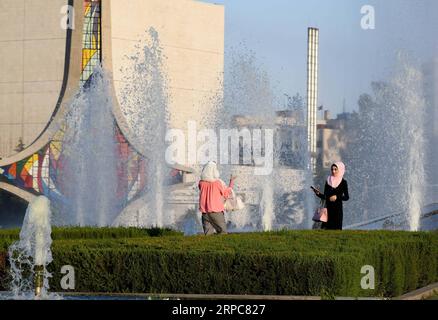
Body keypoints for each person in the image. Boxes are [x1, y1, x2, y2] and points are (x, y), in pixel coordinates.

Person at [198, 161, 236, 235]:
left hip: (205, 213)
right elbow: (226, 194)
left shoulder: (201, 183)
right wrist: (231, 182)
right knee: (223, 232)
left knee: (208, 234)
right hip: (216, 212)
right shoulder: (217, 183)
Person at [312, 162, 349, 230]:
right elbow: (326, 197)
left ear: (340, 170)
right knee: (327, 230)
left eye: (335, 169)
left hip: (337, 210)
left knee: (336, 230)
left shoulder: (343, 182)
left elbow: (346, 197)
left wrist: (337, 197)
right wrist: (318, 194)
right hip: (328, 209)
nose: (333, 171)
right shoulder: (328, 181)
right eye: (332, 169)